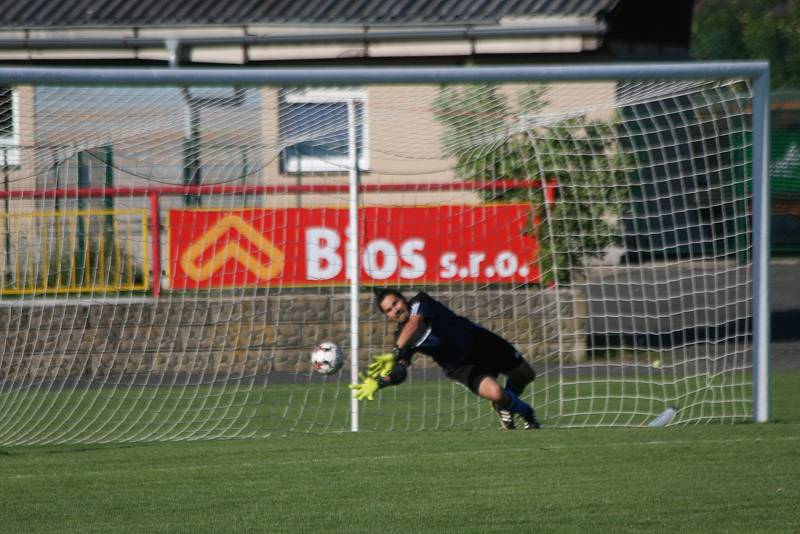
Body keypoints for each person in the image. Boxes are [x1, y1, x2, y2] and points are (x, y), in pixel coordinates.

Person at [349, 288, 540, 430]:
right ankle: (525, 413)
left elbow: (414, 324)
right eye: (389, 310)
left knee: (526, 375)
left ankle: (505, 404)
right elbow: (400, 370)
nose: (395, 310)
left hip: (482, 343)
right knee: (497, 392)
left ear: (403, 300)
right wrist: (381, 382)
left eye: (396, 303)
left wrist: (395, 351)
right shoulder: (402, 340)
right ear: (388, 316)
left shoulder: (420, 302)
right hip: (461, 366)